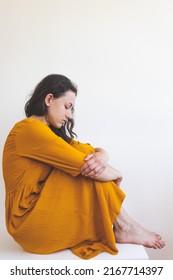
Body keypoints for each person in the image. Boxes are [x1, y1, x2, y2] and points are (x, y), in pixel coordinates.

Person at [2, 74, 165, 259]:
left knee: (86, 157)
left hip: (36, 220)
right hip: (29, 225)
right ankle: (125, 226)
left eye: (72, 109)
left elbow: (85, 150)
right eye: (67, 107)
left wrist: (103, 154)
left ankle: (124, 226)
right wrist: (116, 174)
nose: (69, 115)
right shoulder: (29, 129)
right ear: (49, 99)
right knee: (86, 168)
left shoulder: (46, 132)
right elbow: (86, 165)